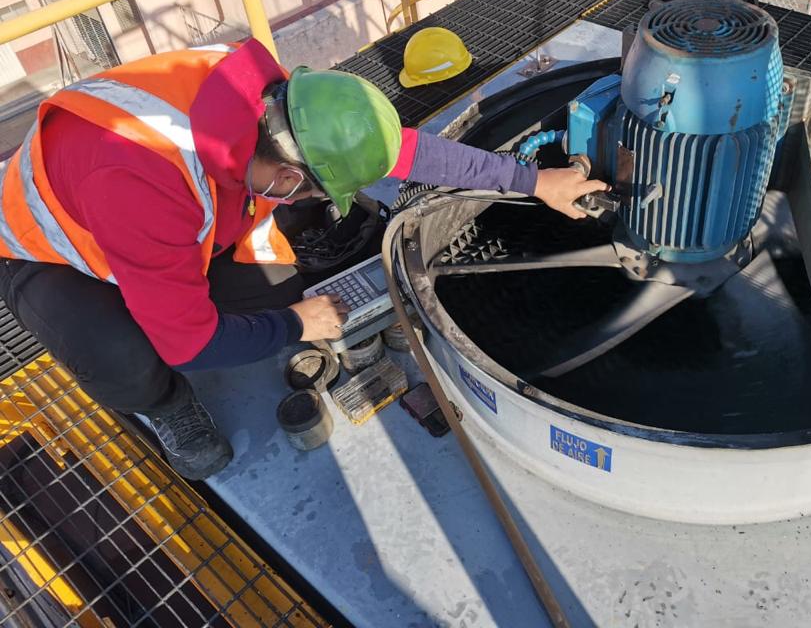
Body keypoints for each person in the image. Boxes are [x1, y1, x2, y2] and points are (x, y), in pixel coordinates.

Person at [0, 40, 606, 480]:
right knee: (124, 353)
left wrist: (532, 180)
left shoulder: (272, 102)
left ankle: (194, 298)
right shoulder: (142, 183)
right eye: (315, 190)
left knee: (279, 291)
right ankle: (164, 406)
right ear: (288, 178)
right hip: (54, 260)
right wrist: (296, 325)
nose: (315, 200)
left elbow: (403, 153)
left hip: (177, 223)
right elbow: (190, 344)